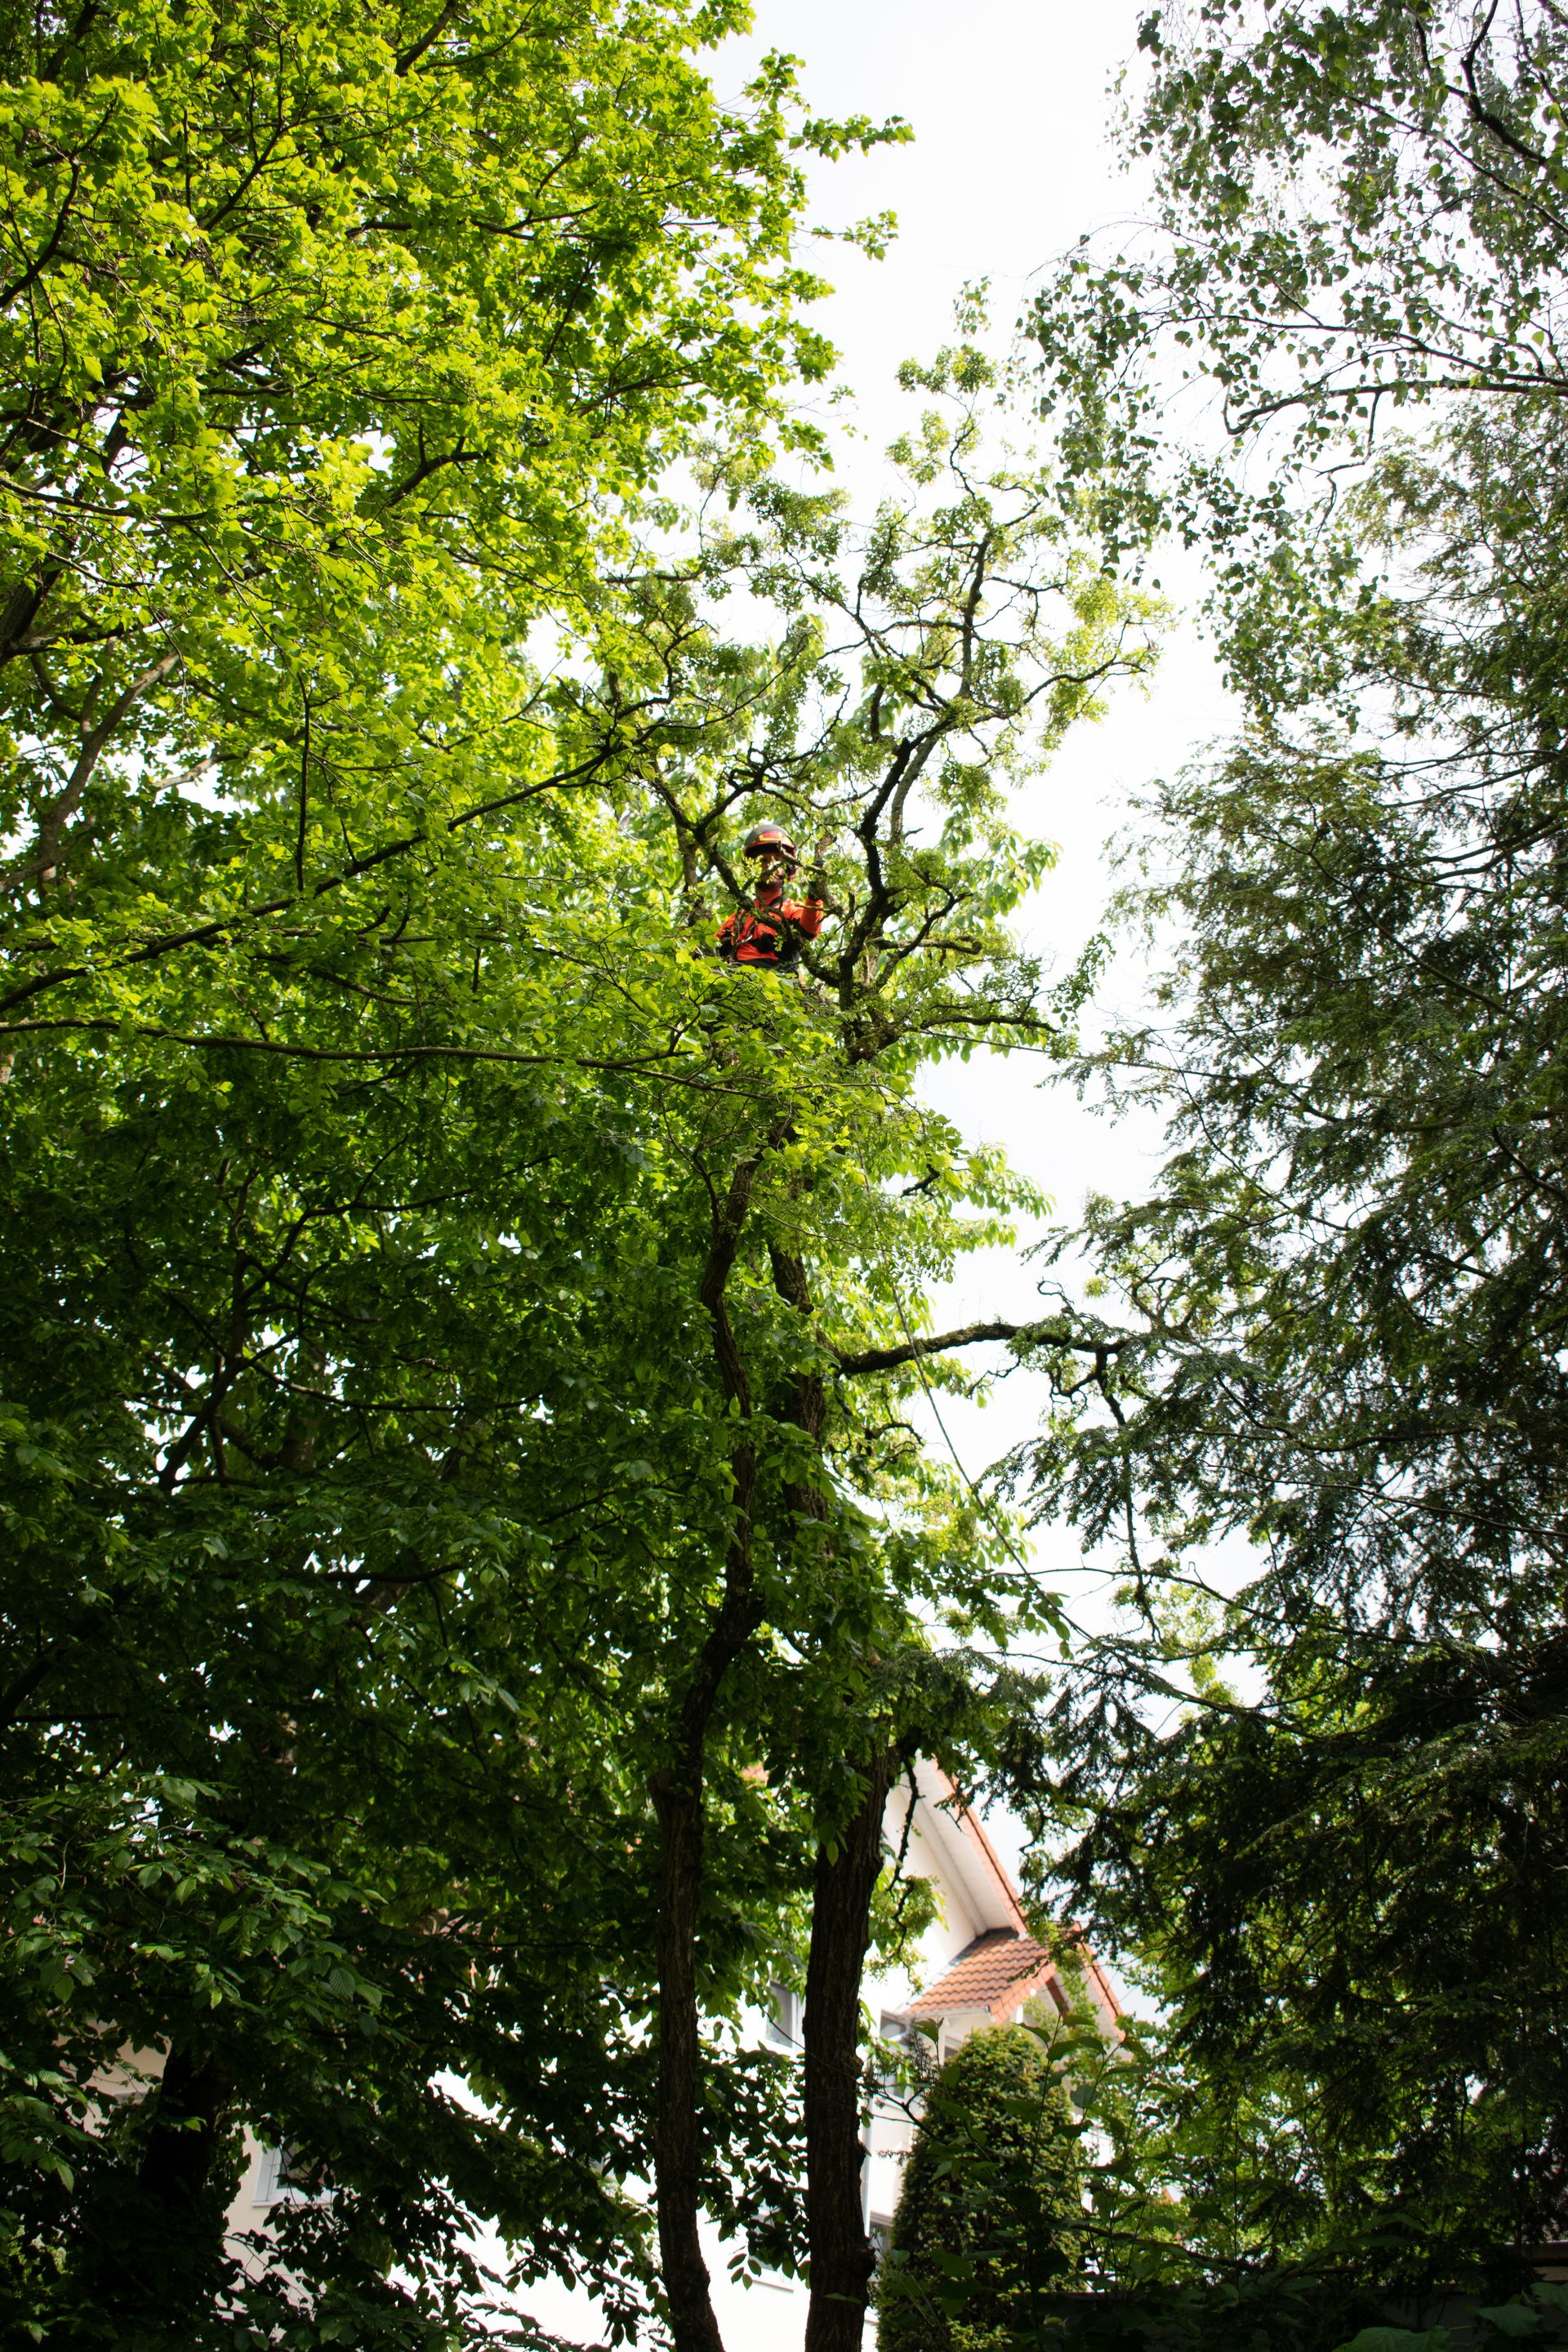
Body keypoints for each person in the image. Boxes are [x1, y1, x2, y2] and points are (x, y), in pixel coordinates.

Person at [715, 822, 828, 972]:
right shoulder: (736, 919)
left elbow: (809, 930)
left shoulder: (792, 910)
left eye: (777, 860)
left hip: (777, 986)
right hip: (735, 985)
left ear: (788, 869)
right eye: (763, 860)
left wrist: (815, 896)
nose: (770, 866)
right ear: (751, 868)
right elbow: (711, 951)